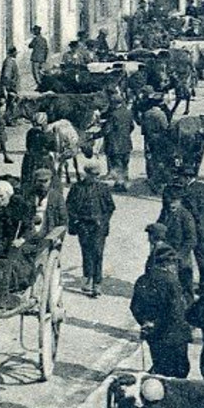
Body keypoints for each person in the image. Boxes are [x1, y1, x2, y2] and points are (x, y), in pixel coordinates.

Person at [131, 245, 192, 379]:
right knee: (180, 372)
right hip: (174, 335)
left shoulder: (142, 279)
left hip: (153, 335)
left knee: (160, 369)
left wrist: (146, 322)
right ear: (168, 263)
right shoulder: (171, 281)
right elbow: (176, 312)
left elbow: (134, 307)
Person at [66, 157, 115, 298]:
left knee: (98, 253)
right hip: (83, 225)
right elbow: (69, 206)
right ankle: (87, 279)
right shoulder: (77, 188)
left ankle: (97, 283)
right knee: (86, 252)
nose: (95, 178)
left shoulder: (103, 188)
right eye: (92, 175)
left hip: (98, 226)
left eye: (97, 175)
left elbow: (110, 207)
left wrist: (104, 221)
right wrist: (76, 222)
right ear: (86, 174)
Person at [101, 96, 135, 191]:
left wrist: (94, 136)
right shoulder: (128, 112)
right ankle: (124, 182)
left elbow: (106, 130)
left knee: (117, 165)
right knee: (125, 164)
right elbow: (132, 126)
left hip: (114, 144)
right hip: (126, 143)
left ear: (114, 103)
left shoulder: (113, 115)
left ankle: (120, 185)